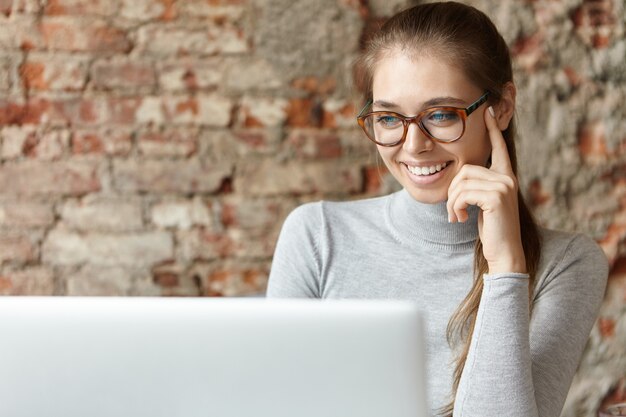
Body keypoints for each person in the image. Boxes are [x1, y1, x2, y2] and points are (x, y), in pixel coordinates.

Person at [265, 2, 609, 416]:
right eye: (389, 118)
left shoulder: (569, 263)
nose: (413, 146)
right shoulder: (317, 235)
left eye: (442, 114)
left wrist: (505, 266)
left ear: (500, 107)